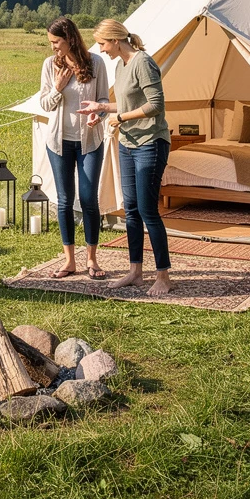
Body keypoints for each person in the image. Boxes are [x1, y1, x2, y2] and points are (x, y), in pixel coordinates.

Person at [79, 19, 172, 296]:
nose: (101, 49)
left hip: (149, 143)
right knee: (130, 210)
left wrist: (118, 117)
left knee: (147, 211)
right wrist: (103, 108)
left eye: (103, 43)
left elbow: (155, 105)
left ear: (116, 40)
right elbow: (130, 104)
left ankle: (163, 276)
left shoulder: (143, 62)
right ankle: (135, 272)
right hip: (128, 143)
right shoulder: (121, 65)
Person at [39, 17, 110, 279]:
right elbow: (45, 105)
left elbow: (104, 99)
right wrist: (57, 88)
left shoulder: (96, 63)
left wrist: (98, 115)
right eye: (51, 43)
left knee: (89, 199)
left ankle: (92, 259)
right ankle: (69, 261)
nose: (53, 47)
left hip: (90, 140)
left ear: (70, 38)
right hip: (59, 142)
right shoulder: (50, 66)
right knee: (65, 201)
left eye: (56, 42)